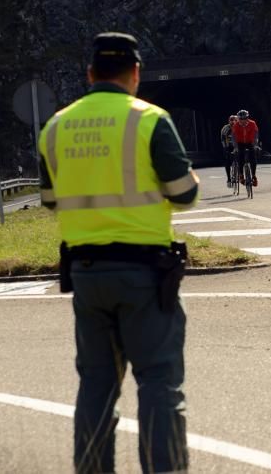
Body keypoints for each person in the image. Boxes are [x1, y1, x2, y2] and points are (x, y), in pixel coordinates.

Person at [38, 32, 199, 473]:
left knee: (96, 386)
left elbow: (50, 199)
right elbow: (183, 193)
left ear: (89, 74)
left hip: (86, 274)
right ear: (136, 73)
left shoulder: (55, 127)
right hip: (146, 274)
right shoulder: (149, 120)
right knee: (159, 383)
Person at [230, 109, 260, 187]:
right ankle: (241, 175)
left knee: (253, 157)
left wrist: (255, 144)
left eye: (244, 118)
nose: (242, 121)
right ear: (238, 119)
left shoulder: (252, 124)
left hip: (249, 142)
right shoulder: (236, 125)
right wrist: (235, 146)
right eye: (240, 119)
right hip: (240, 143)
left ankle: (253, 175)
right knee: (241, 156)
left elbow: (256, 134)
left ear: (247, 118)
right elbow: (233, 137)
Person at [220, 114, 238, 185]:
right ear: (229, 121)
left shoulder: (240, 127)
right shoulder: (226, 128)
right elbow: (223, 139)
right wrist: (225, 148)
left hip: (237, 145)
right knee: (227, 161)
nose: (233, 122)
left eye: (235, 120)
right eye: (231, 120)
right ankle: (229, 179)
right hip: (228, 146)